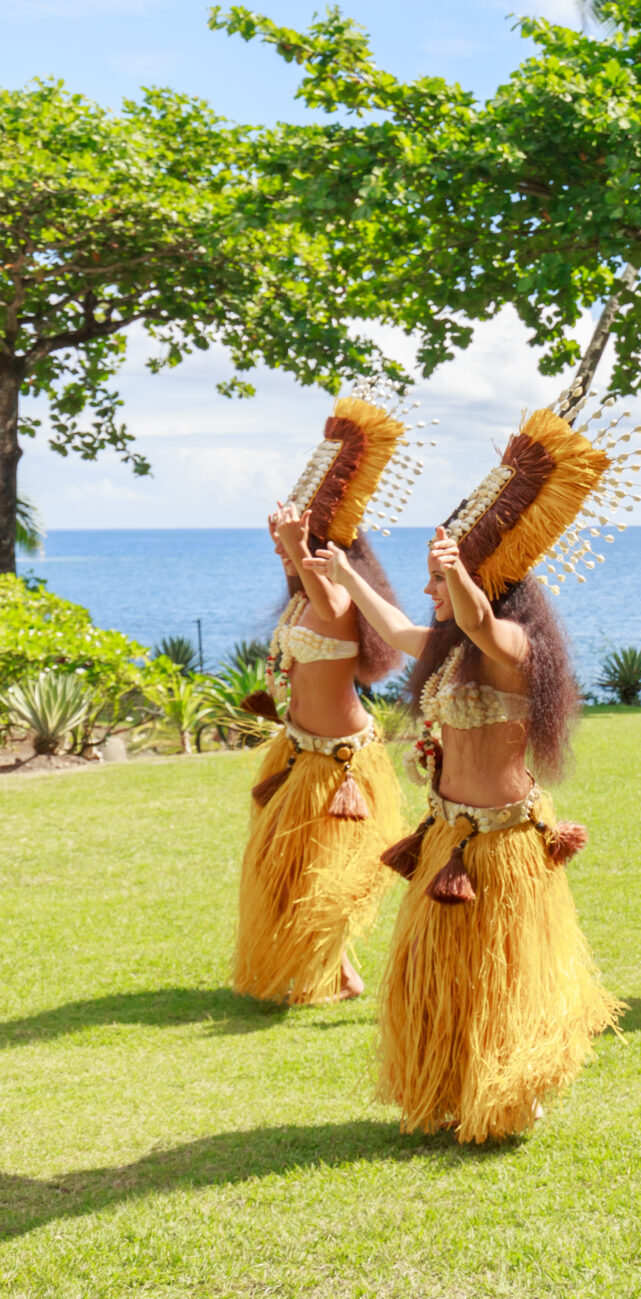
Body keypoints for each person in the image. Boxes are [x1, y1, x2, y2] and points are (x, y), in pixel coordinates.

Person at [313, 392, 637, 1140]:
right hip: (446, 840)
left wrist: (457, 572)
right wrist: (348, 575)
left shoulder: (514, 647)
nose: (430, 594)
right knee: (431, 974)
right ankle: (446, 1084)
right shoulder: (452, 647)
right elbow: (400, 626)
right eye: (433, 582)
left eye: (441, 583)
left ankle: (506, 1090)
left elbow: (482, 619)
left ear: (481, 579)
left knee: (500, 974)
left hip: (502, 847)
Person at [232, 389, 418, 1005]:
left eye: (299, 538)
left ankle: (337, 973)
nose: (284, 545)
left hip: (340, 764)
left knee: (324, 871)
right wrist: (290, 547)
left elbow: (332, 599)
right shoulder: (303, 594)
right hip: (298, 752)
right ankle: (338, 974)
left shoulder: (336, 595)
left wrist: (298, 544)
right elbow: (305, 589)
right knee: (277, 864)